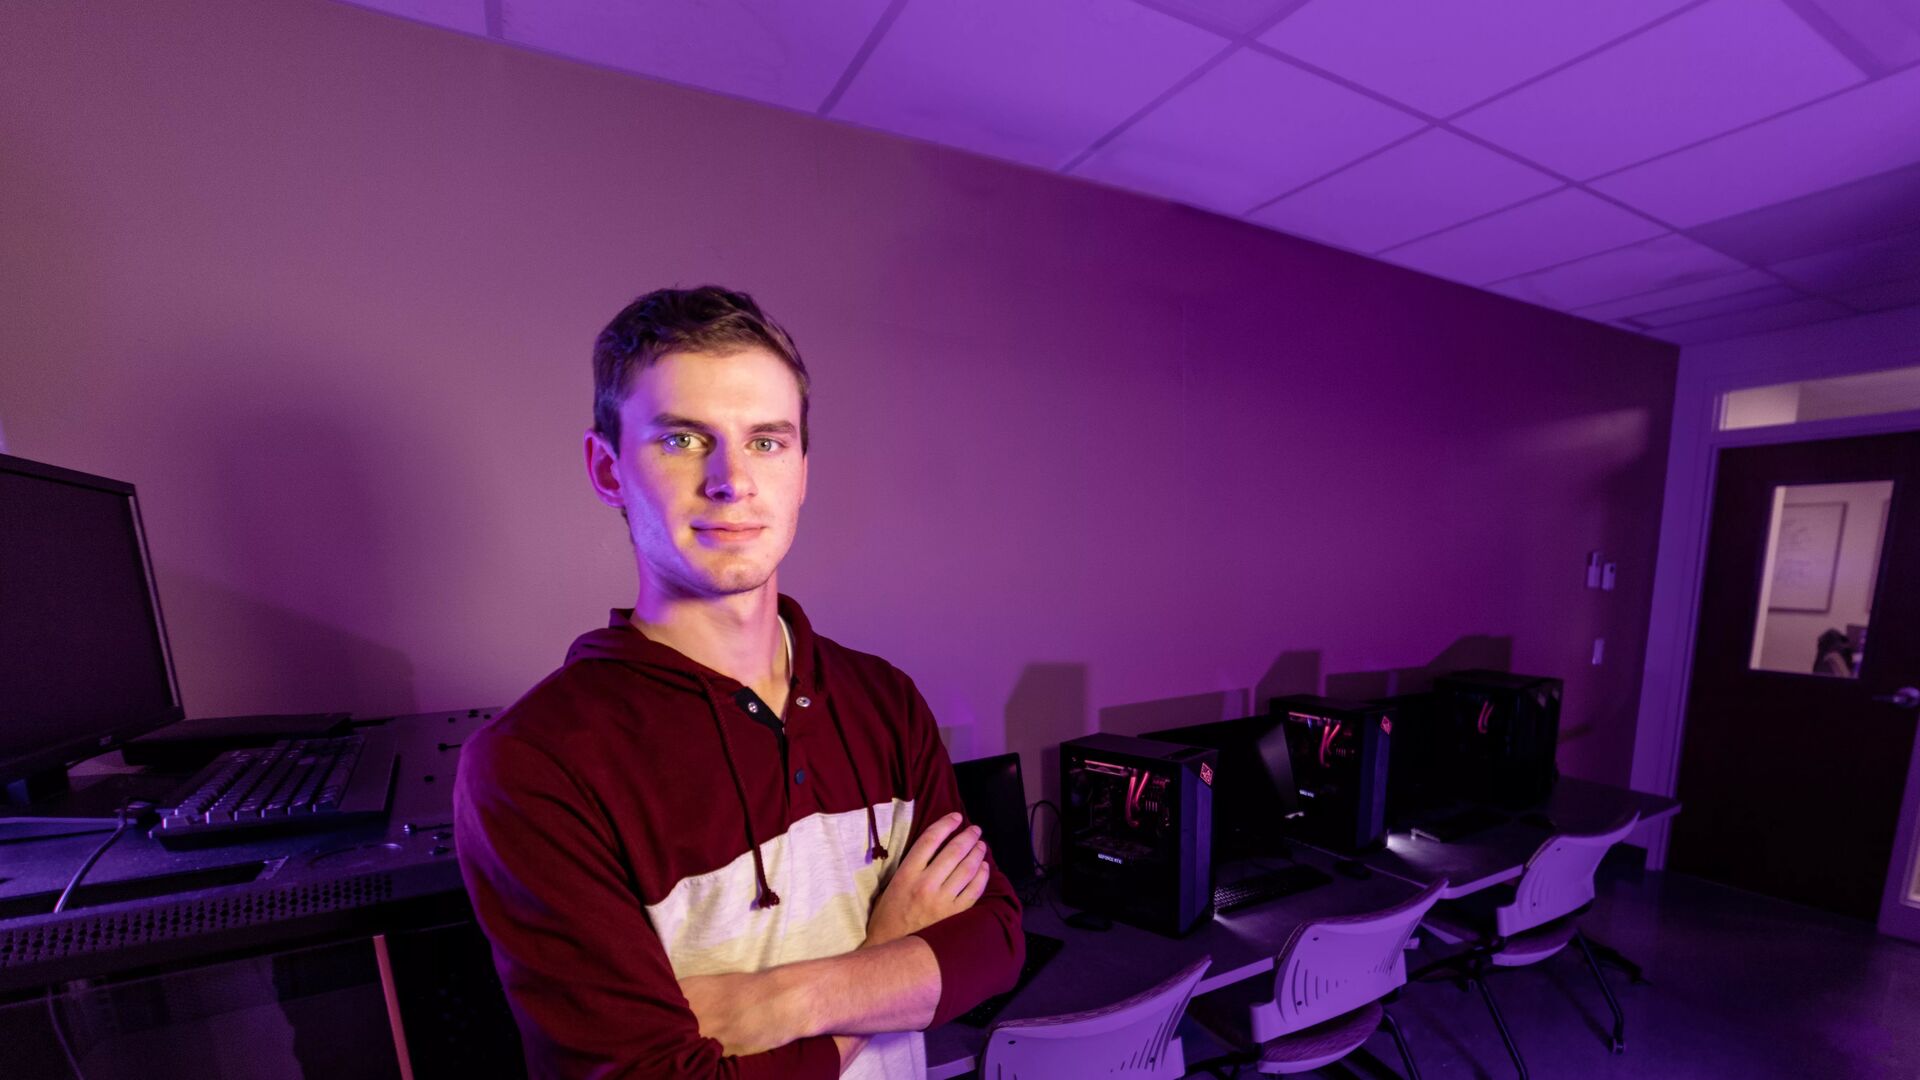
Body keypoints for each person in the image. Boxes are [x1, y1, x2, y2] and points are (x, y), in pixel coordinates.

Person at [454, 286, 1024, 1079]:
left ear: (800, 471)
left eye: (766, 442)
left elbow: (992, 941)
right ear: (607, 468)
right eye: (684, 440)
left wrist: (780, 1001)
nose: (731, 480)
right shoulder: (534, 766)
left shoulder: (884, 700)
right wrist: (890, 957)